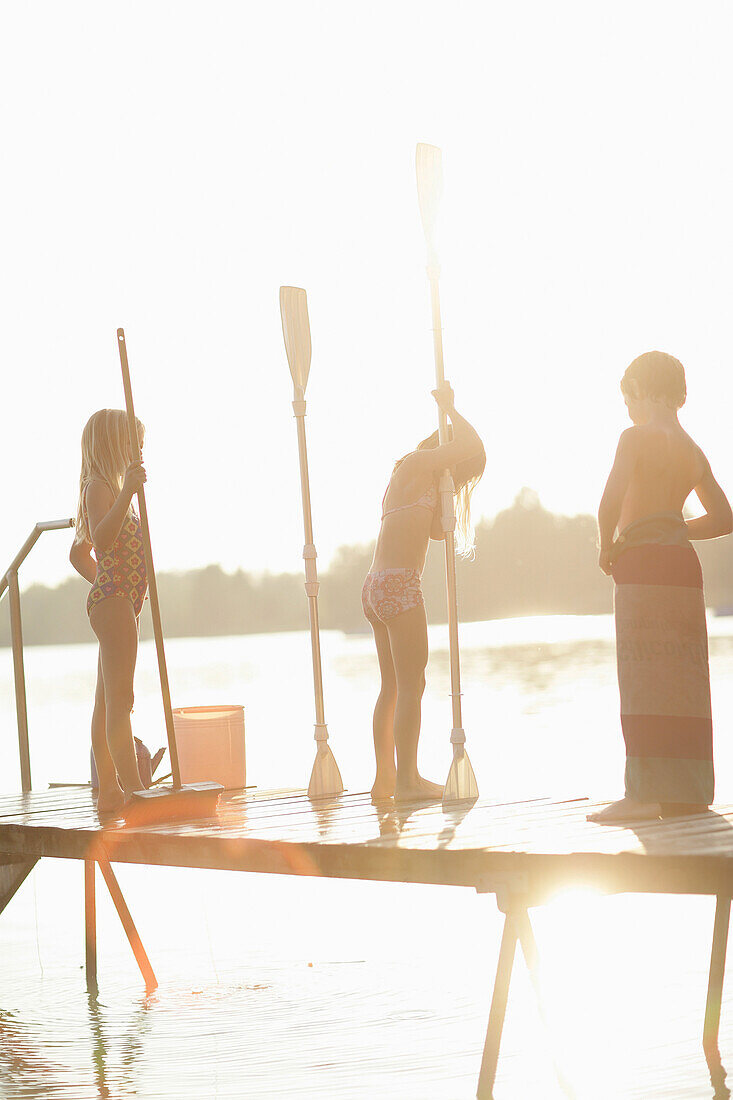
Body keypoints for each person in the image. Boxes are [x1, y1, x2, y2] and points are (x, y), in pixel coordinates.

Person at [590, 351, 732, 823]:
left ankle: (643, 793)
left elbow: (609, 501)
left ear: (639, 390)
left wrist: (605, 546)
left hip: (642, 562)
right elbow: (725, 518)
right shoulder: (692, 450)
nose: (626, 409)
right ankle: (689, 792)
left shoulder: (634, 438)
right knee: (684, 681)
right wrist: (674, 525)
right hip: (682, 567)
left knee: (642, 676)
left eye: (626, 397)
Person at [362, 382, 485, 802]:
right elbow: (473, 442)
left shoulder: (414, 477)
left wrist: (449, 492)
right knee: (412, 684)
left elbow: (435, 533)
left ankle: (386, 779)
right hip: (398, 585)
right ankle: (407, 781)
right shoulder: (416, 461)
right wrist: (451, 408)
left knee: (393, 686)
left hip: (377, 585)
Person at [69, 409, 148, 816]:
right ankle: (132, 788)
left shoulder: (109, 489)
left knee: (106, 703)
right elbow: (99, 539)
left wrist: (108, 579)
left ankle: (109, 791)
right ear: (114, 446)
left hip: (119, 599)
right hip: (115, 602)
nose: (139, 453)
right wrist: (110, 583)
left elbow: (76, 553)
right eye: (133, 445)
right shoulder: (100, 488)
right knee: (123, 698)